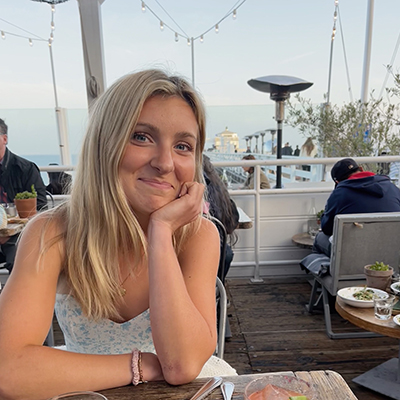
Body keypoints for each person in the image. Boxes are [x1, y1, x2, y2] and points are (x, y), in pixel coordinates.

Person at [0, 69, 236, 399]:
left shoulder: (198, 236)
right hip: (90, 390)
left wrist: (161, 232)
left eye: (183, 146)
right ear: (104, 143)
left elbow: (182, 366)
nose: (165, 163)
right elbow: (7, 369)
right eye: (141, 137)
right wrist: (141, 367)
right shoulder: (52, 233)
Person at [312, 158, 400, 257]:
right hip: (392, 252)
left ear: (337, 182)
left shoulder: (340, 194)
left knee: (319, 238)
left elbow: (327, 229)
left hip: (354, 254)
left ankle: (325, 269)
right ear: (361, 169)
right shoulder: (392, 188)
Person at [0, 118, 47, 272]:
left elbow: (40, 206)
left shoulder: (25, 169)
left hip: (19, 236)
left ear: (4, 139)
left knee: (21, 261)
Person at [203, 155, 239, 283]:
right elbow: (232, 224)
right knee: (226, 253)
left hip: (197, 252)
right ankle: (218, 291)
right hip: (220, 251)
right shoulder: (220, 191)